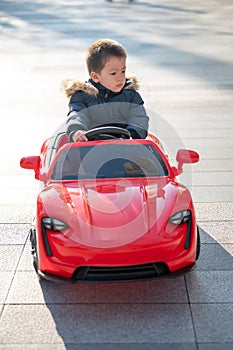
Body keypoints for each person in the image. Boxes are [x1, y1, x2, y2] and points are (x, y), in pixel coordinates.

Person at [62, 38, 149, 142]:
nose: (120, 77)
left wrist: (133, 134)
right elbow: (77, 114)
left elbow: (138, 117)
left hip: (125, 146)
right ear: (95, 77)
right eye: (113, 73)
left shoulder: (130, 96)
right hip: (91, 147)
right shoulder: (82, 96)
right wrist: (77, 130)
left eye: (123, 71)